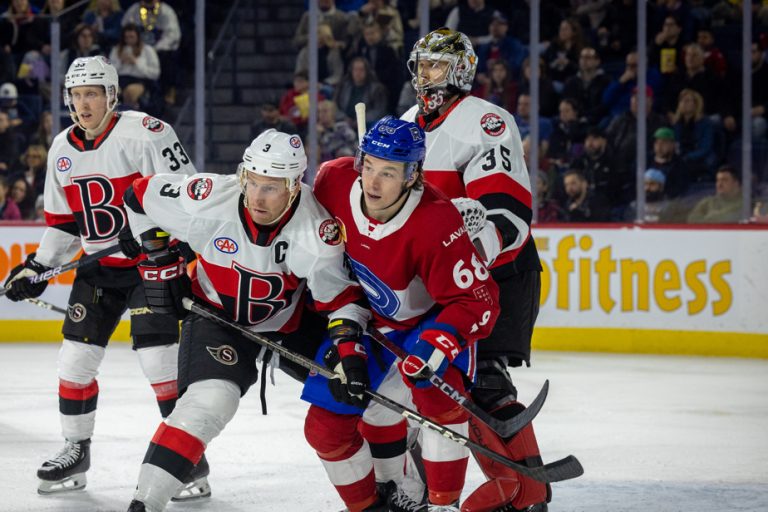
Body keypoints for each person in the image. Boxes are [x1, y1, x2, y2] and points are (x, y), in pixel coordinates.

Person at [123, 130, 369, 512]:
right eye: (251, 181)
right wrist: (155, 251)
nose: (256, 196)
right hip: (216, 315)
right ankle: (144, 503)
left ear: (294, 186)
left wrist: (348, 352)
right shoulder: (206, 197)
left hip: (290, 323)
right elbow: (136, 195)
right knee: (208, 403)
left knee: (361, 397)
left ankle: (389, 491)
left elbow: (340, 300)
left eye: (270, 187)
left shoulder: (316, 233)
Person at [2, 56, 198, 497]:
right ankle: (76, 449)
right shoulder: (61, 149)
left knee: (159, 363)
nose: (83, 103)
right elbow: (64, 223)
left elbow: (186, 197)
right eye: (76, 94)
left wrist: (152, 234)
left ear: (111, 95)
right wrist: (37, 266)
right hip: (98, 270)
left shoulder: (147, 132)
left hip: (152, 266)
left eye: (92, 93)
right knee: (73, 362)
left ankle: (188, 460)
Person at [301, 116, 500, 512]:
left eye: (388, 172)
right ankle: (371, 506)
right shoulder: (333, 181)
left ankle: (442, 504)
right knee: (324, 428)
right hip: (363, 320)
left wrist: (438, 343)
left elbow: (479, 302)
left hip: (427, 320)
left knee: (434, 390)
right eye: (369, 166)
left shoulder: (435, 220)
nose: (372, 182)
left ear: (412, 176)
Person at [401, 28, 550, 512]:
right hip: (439, 284)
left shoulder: (486, 121)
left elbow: (507, 214)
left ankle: (528, 495)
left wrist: (464, 263)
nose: (426, 75)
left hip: (499, 275)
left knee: (482, 380)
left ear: (461, 69)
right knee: (424, 382)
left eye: (437, 66)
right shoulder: (405, 123)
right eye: (422, 65)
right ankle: (422, 490)